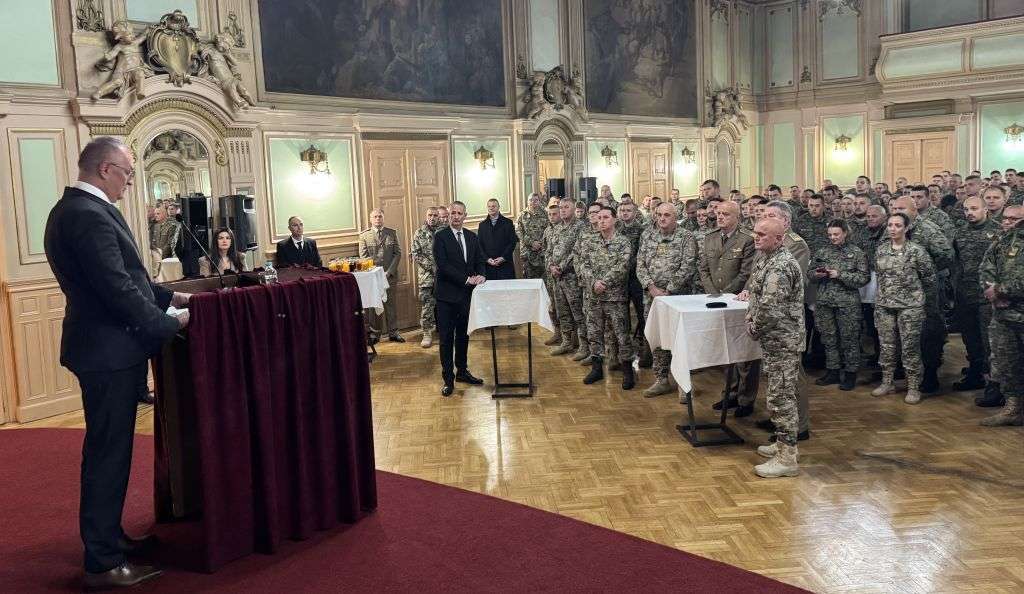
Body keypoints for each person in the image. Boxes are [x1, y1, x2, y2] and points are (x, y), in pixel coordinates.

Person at [44, 136, 190, 589]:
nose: (130, 182)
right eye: (127, 173)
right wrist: (168, 324)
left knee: (110, 452)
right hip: (107, 352)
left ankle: (110, 539)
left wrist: (168, 298)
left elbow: (128, 278)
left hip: (107, 348)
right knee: (108, 456)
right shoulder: (86, 214)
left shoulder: (77, 209)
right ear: (105, 169)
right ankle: (103, 562)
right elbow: (116, 288)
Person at [745, 218, 805, 478]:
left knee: (781, 399)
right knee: (778, 394)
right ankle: (784, 444)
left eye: (762, 234)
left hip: (783, 340)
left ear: (779, 239)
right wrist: (750, 315)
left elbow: (770, 307)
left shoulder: (781, 265)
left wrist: (754, 327)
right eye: (755, 233)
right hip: (774, 340)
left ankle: (787, 458)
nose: (756, 238)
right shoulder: (766, 258)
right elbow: (756, 294)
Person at [636, 201, 698, 397]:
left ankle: (683, 384)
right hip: (652, 297)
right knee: (657, 336)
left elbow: (688, 266)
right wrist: (651, 287)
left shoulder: (686, 236)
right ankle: (661, 379)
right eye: (659, 215)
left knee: (680, 339)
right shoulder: (647, 235)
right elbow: (640, 264)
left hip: (678, 297)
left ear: (675, 217)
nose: (662, 218)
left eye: (667, 215)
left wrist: (669, 290)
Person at [872, 213, 935, 404]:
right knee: (886, 346)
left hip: (910, 307)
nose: (893, 229)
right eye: (890, 225)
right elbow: (879, 276)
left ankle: (913, 386)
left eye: (898, 225)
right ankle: (887, 381)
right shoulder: (881, 250)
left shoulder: (917, 251)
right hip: (885, 305)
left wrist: (922, 301)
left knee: (910, 348)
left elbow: (929, 278)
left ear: (906, 228)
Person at [432, 201, 486, 397]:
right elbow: (443, 265)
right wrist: (466, 279)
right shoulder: (440, 237)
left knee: (463, 336)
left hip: (466, 296)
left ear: (465, 216)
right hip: (446, 297)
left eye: (459, 213)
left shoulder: (472, 237)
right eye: (453, 213)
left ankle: (462, 372)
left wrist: (481, 275)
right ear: (448, 215)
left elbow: (480, 260)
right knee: (446, 339)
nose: (456, 216)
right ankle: (448, 379)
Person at [808, 220, 869, 391]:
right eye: (830, 235)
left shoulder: (857, 253)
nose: (832, 237)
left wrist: (840, 275)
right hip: (825, 302)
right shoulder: (822, 251)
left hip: (847, 304)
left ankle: (850, 374)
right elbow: (809, 274)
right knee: (829, 339)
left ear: (845, 233)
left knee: (849, 340)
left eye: (836, 234)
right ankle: (832, 371)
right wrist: (817, 274)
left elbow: (864, 278)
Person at [581, 206, 636, 389]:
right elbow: (583, 264)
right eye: (599, 218)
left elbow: (623, 266)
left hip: (615, 297)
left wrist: (603, 282)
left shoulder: (623, 242)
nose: (601, 221)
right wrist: (593, 282)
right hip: (594, 296)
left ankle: (627, 370)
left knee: (621, 334)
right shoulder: (590, 241)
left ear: (614, 219)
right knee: (594, 333)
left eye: (605, 217)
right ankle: (597, 369)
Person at [979, 205, 1024, 425]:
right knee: (1006, 363)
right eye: (1005, 218)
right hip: (1003, 315)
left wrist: (1001, 290)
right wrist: (992, 292)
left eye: (1014, 219)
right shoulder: (1000, 242)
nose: (1007, 222)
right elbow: (985, 269)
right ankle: (1013, 408)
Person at [547, 198, 588, 358]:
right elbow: (549, 250)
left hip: (572, 277)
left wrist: (561, 267)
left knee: (578, 313)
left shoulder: (581, 227)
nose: (563, 210)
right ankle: (566, 342)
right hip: (557, 278)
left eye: (566, 207)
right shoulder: (556, 228)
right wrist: (551, 266)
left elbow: (577, 251)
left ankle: (584, 347)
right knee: (562, 312)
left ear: (573, 208)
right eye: (561, 207)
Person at [359, 209, 404, 342]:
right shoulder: (364, 235)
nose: (378, 219)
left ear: (383, 218)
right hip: (373, 277)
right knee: (374, 306)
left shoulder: (391, 233)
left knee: (391, 305)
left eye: (380, 216)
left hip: (389, 275)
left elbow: (397, 253)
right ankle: (375, 334)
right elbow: (364, 257)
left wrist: (389, 272)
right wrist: (376, 272)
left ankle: (393, 332)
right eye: (375, 217)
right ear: (370, 219)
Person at [411, 206, 440, 348]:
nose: (432, 218)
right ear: (426, 216)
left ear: (438, 217)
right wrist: (432, 267)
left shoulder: (444, 231)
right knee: (427, 306)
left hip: (444, 275)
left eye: (435, 215)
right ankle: (427, 333)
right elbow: (415, 254)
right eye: (430, 215)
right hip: (427, 277)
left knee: (445, 304)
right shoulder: (419, 233)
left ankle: (445, 330)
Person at [477, 198, 518, 280]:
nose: (491, 208)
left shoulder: (508, 223)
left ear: (499, 207)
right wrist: (487, 259)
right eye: (489, 206)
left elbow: (512, 242)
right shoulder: (482, 225)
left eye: (493, 206)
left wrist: (503, 258)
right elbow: (479, 245)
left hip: (505, 265)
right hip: (489, 266)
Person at [516, 193, 548, 280]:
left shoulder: (546, 214)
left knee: (544, 279)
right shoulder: (522, 215)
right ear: (527, 201)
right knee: (529, 279)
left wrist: (540, 243)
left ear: (539, 201)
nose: (533, 202)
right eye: (531, 200)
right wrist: (531, 243)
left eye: (536, 200)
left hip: (542, 251)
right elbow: (519, 231)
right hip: (527, 252)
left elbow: (549, 230)